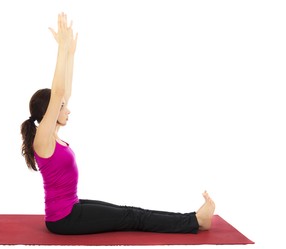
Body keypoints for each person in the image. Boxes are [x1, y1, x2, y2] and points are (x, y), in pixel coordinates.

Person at [21, 13, 215, 235]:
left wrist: (70, 54)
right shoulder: (43, 140)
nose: (68, 109)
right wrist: (61, 49)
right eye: (61, 106)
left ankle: (194, 219)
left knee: (130, 211)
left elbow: (65, 91)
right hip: (64, 219)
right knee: (131, 217)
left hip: (72, 206)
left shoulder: (53, 135)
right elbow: (58, 93)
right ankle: (196, 222)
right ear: (49, 112)